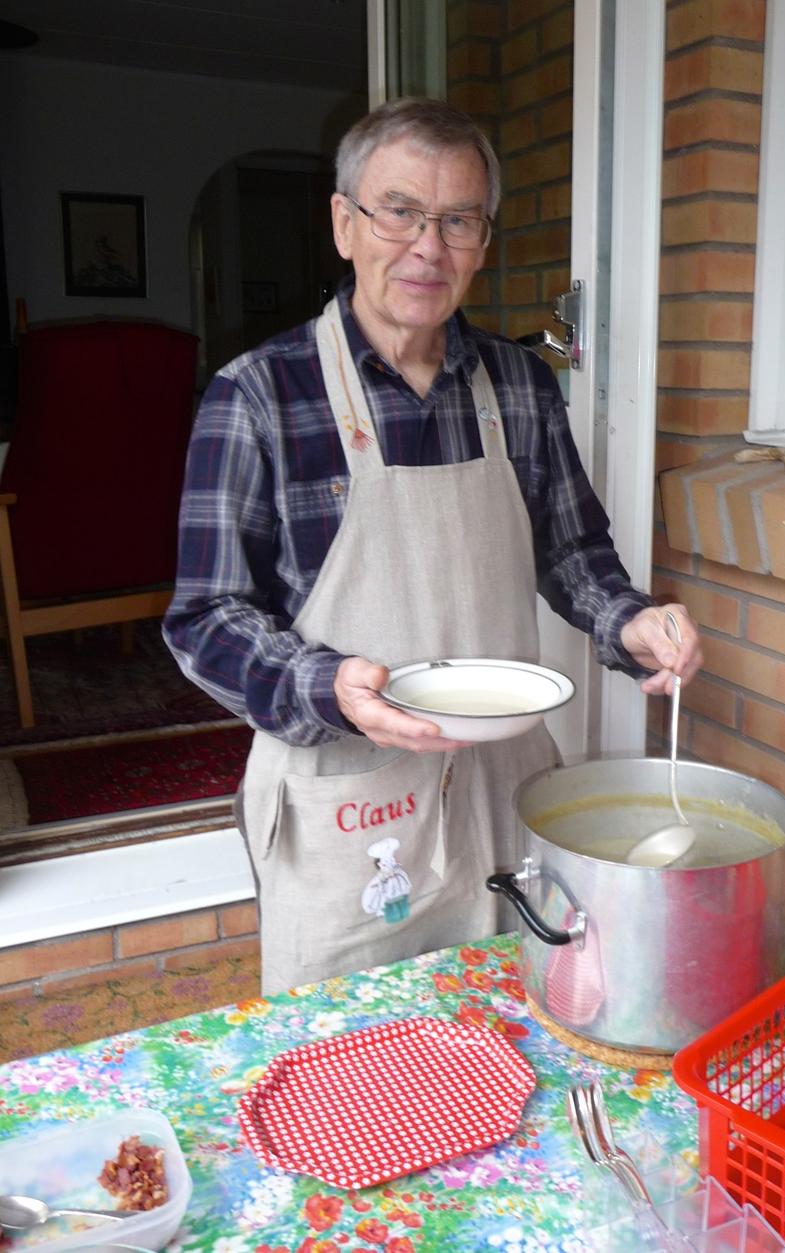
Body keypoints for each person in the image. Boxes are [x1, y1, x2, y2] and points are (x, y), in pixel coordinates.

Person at [164, 97, 702, 994]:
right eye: (401, 211)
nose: (428, 247)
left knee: (515, 1028)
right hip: (349, 807)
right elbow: (205, 618)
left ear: (483, 240)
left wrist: (632, 622)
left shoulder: (522, 385)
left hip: (502, 796)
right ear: (345, 223)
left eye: (459, 220)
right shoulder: (256, 395)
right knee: (353, 1065)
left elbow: (572, 550)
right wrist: (324, 684)